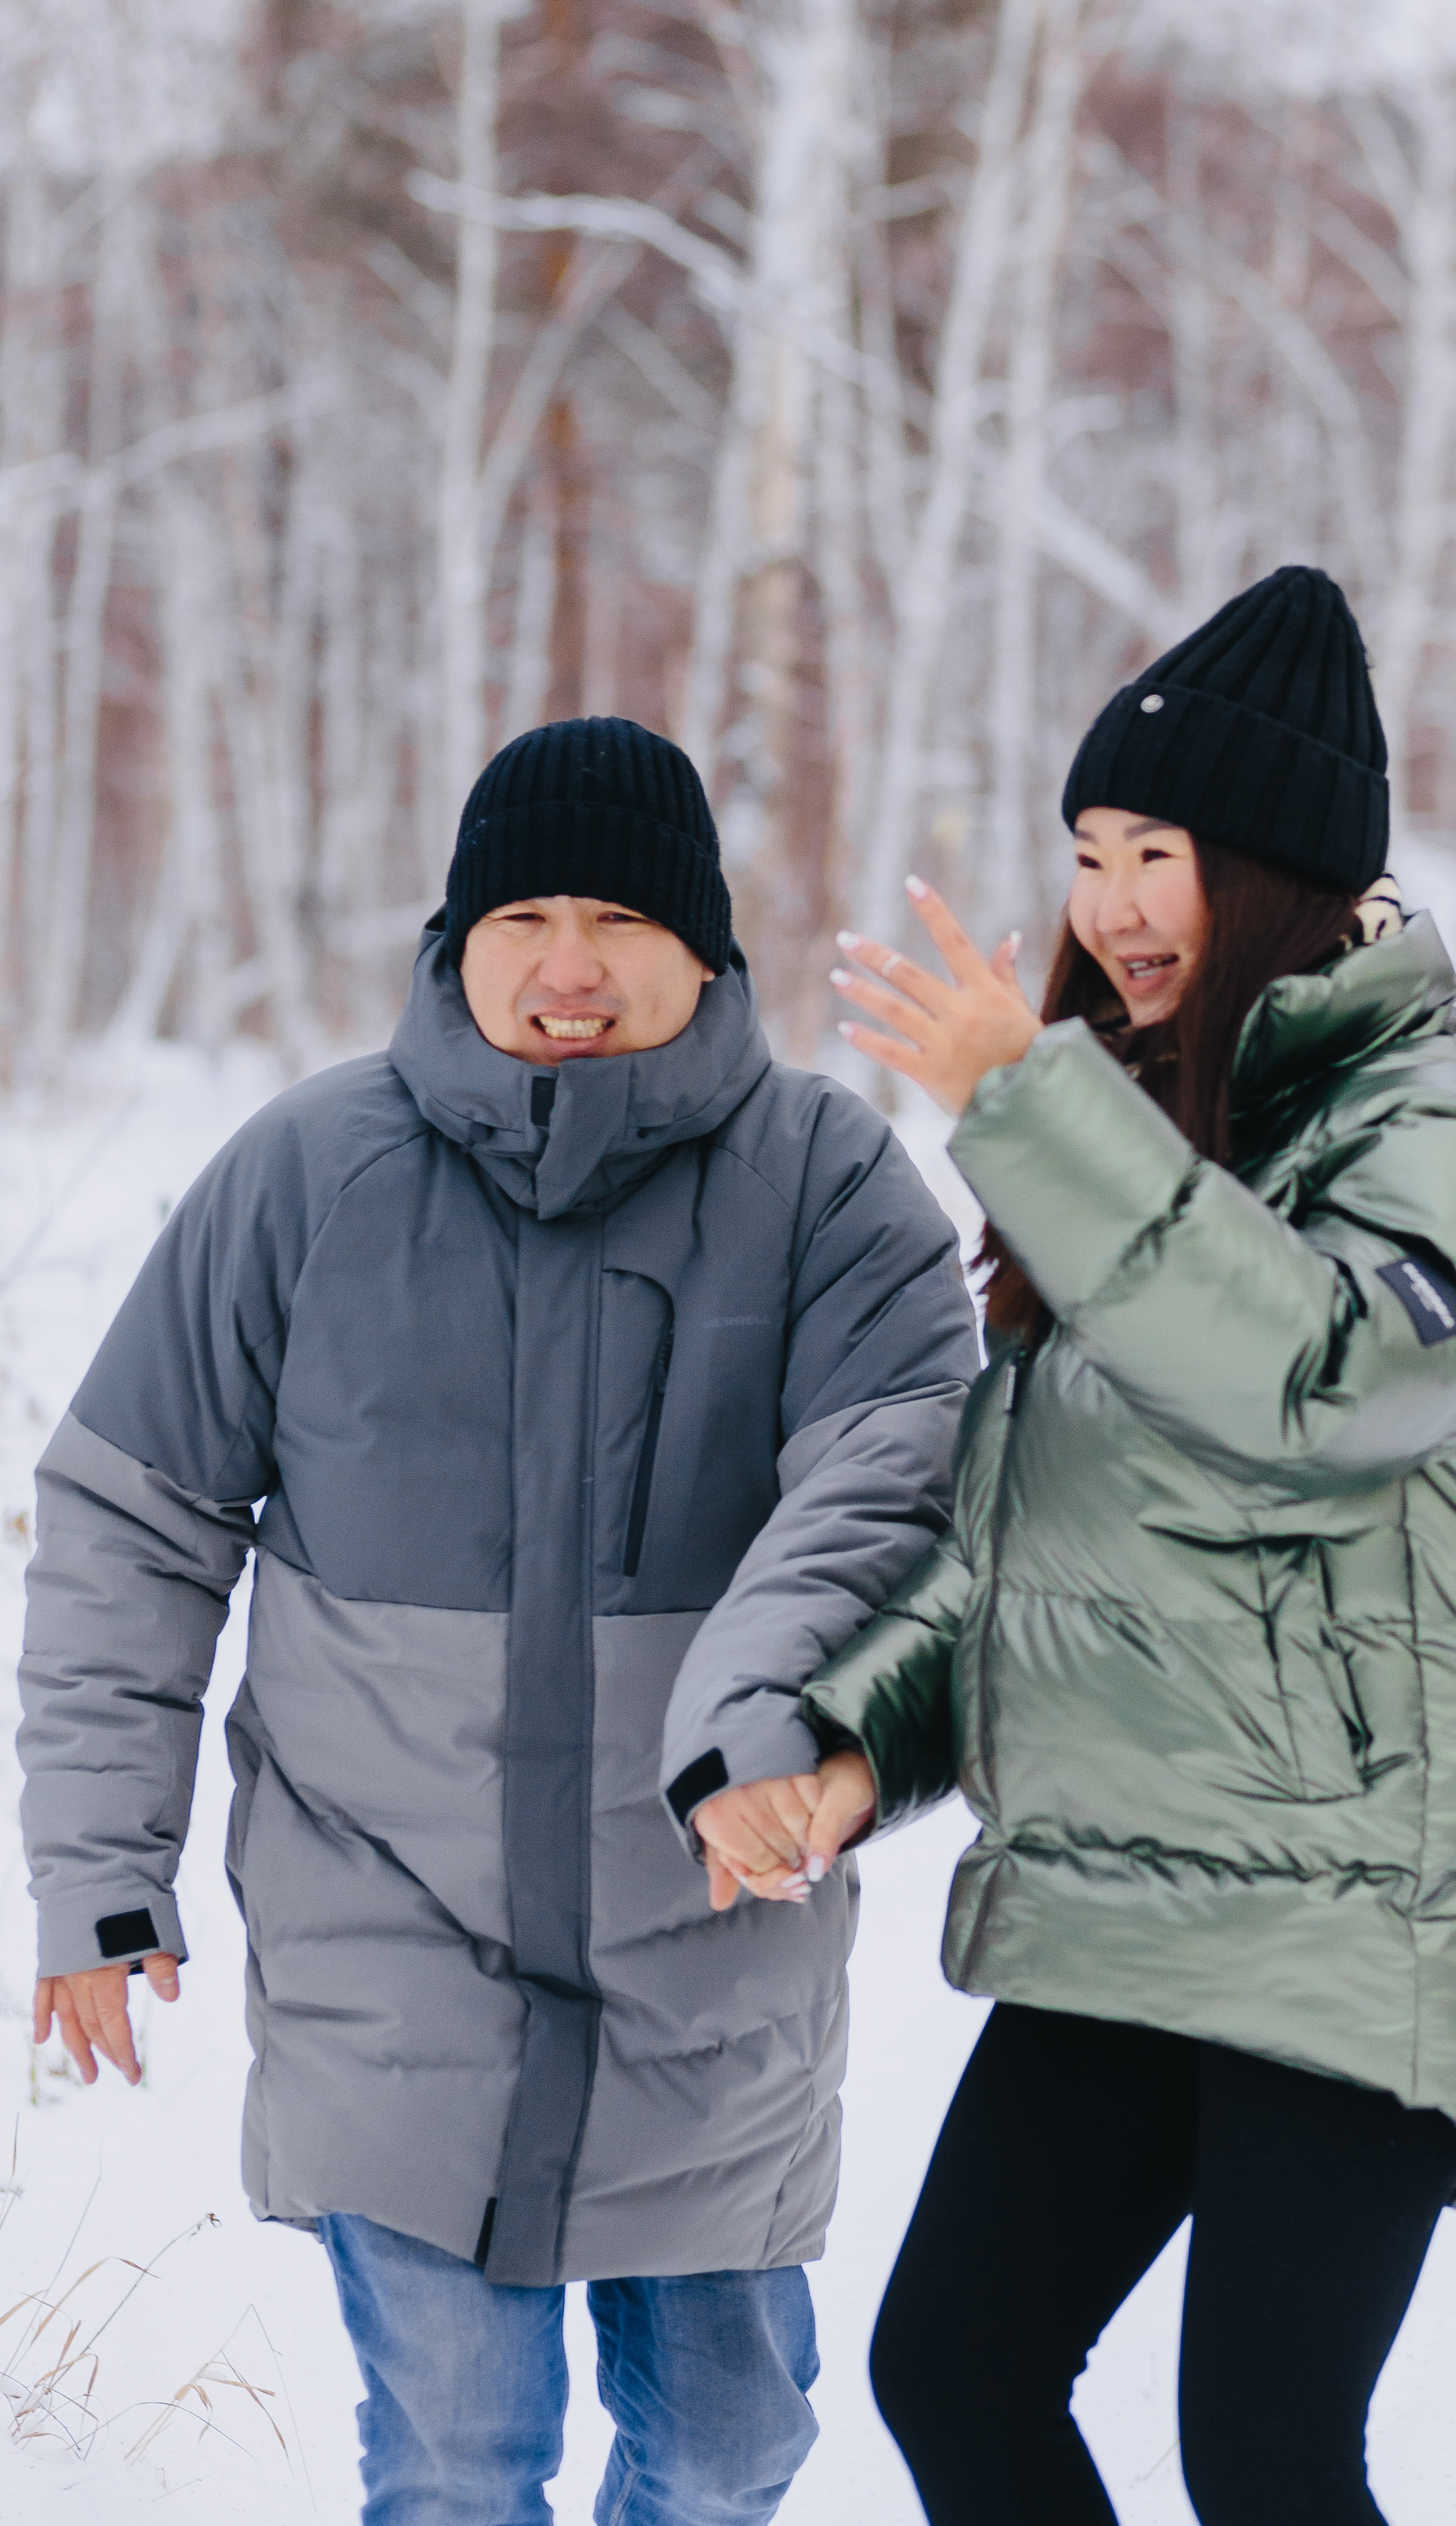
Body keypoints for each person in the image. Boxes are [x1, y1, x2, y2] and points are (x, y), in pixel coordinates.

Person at [17, 715, 980, 2526]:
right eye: (523, 912)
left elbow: (902, 1488)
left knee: (727, 2454)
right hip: (390, 1934)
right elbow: (129, 1523)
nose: (569, 967)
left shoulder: (831, 1192)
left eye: (620, 917)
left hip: (713, 1951)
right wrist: (96, 1868)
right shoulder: (307, 1174)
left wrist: (766, 1729)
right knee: (459, 2460)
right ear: (456, 938)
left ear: (706, 946)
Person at [679, 566, 1456, 2525]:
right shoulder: (1130, 1110)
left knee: (1268, 2456)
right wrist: (863, 1752)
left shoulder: (1422, 1100)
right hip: (1127, 1891)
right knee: (956, 2373)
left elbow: (1329, 1386)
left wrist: (1028, 1106)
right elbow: (1044, 1539)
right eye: (1088, 849)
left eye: (1157, 852)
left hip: (1369, 1911)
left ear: (1276, 869)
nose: (1107, 902)